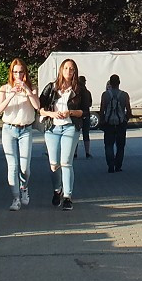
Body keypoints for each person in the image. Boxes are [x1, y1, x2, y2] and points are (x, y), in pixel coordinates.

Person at [39, 58, 84, 211]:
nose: (69, 71)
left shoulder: (79, 89)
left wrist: (69, 112)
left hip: (70, 127)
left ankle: (67, 197)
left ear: (75, 71)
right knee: (54, 164)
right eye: (66, 68)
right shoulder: (51, 88)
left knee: (66, 162)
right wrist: (52, 114)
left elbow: (83, 111)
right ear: (61, 70)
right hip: (52, 128)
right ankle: (57, 190)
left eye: (72, 69)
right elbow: (40, 108)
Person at [0, 58, 41, 211]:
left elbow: (37, 106)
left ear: (25, 73)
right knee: (13, 166)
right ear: (11, 73)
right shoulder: (4, 88)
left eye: (21, 72)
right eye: (15, 72)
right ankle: (15, 198)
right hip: (9, 129)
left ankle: (24, 188)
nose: (18, 75)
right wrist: (11, 94)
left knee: (25, 168)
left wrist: (27, 90)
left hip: (25, 130)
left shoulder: (32, 87)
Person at [100, 74, 133, 173]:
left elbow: (102, 110)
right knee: (120, 146)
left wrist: (102, 121)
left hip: (109, 123)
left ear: (110, 83)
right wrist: (125, 120)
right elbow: (128, 110)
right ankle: (118, 166)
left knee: (108, 145)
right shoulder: (124, 95)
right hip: (120, 124)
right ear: (119, 83)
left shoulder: (105, 95)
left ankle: (110, 165)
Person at [75, 75, 94, 159]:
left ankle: (75, 153)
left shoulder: (75, 92)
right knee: (86, 134)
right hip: (86, 114)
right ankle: (87, 152)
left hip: (77, 115)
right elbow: (90, 103)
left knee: (76, 135)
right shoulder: (87, 92)